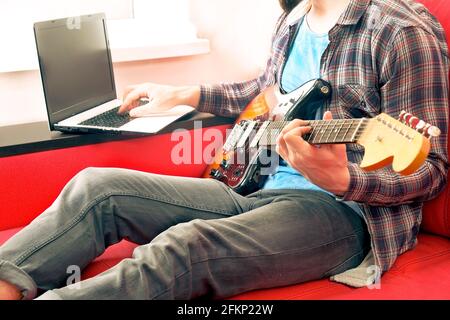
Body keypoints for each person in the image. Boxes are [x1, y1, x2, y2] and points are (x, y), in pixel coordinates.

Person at [0, 0, 448, 300]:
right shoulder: (295, 19)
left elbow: (431, 166)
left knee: (185, 246)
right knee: (96, 188)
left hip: (342, 213)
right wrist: (184, 93)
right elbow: (268, 91)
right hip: (255, 187)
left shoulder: (401, 32)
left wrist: (345, 180)